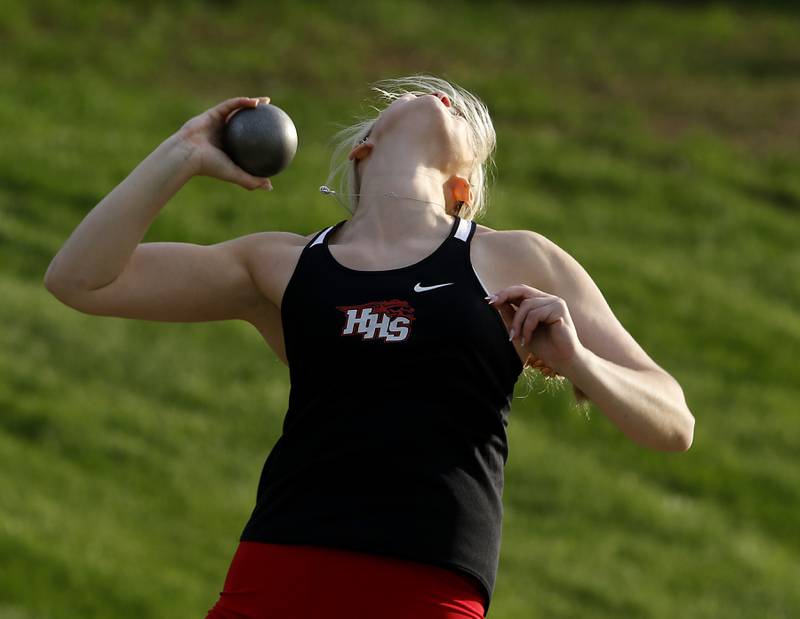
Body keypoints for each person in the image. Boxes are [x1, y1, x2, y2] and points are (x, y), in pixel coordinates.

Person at [44, 75, 695, 618]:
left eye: (459, 109)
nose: (439, 96)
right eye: (401, 102)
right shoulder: (281, 264)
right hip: (279, 573)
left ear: (460, 189)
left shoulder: (515, 257)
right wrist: (182, 153)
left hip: (428, 589)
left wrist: (579, 358)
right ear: (363, 149)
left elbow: (674, 421)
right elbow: (80, 278)